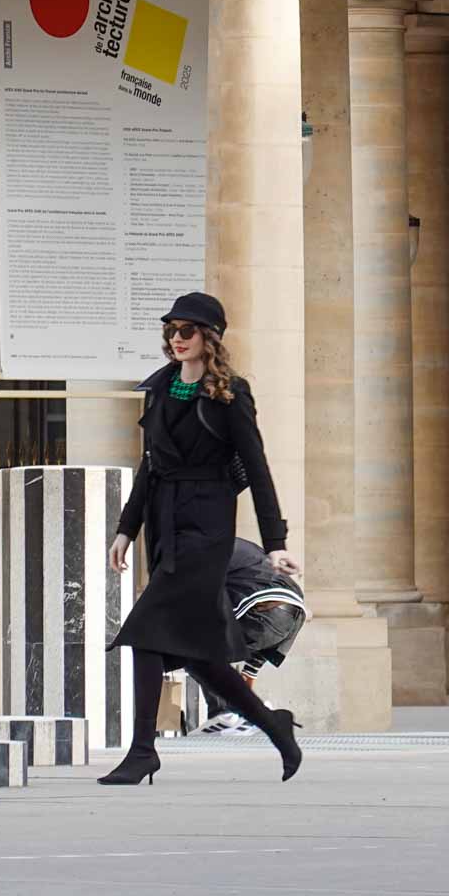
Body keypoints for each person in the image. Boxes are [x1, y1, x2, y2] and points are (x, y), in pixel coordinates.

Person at [102, 291, 306, 785]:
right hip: (165, 526)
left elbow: (257, 468)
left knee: (146, 632)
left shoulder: (231, 393)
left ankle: (142, 751)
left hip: (207, 530)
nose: (177, 338)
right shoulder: (159, 388)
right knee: (201, 659)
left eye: (186, 330)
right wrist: (127, 529)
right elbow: (150, 465)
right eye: (171, 330)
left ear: (209, 337)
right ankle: (275, 728)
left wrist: (275, 541)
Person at [193, 538, 308, 736]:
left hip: (266, 608)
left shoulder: (208, 546)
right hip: (291, 614)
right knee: (212, 648)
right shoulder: (239, 546)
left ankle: (226, 714)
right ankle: (254, 713)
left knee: (195, 646)